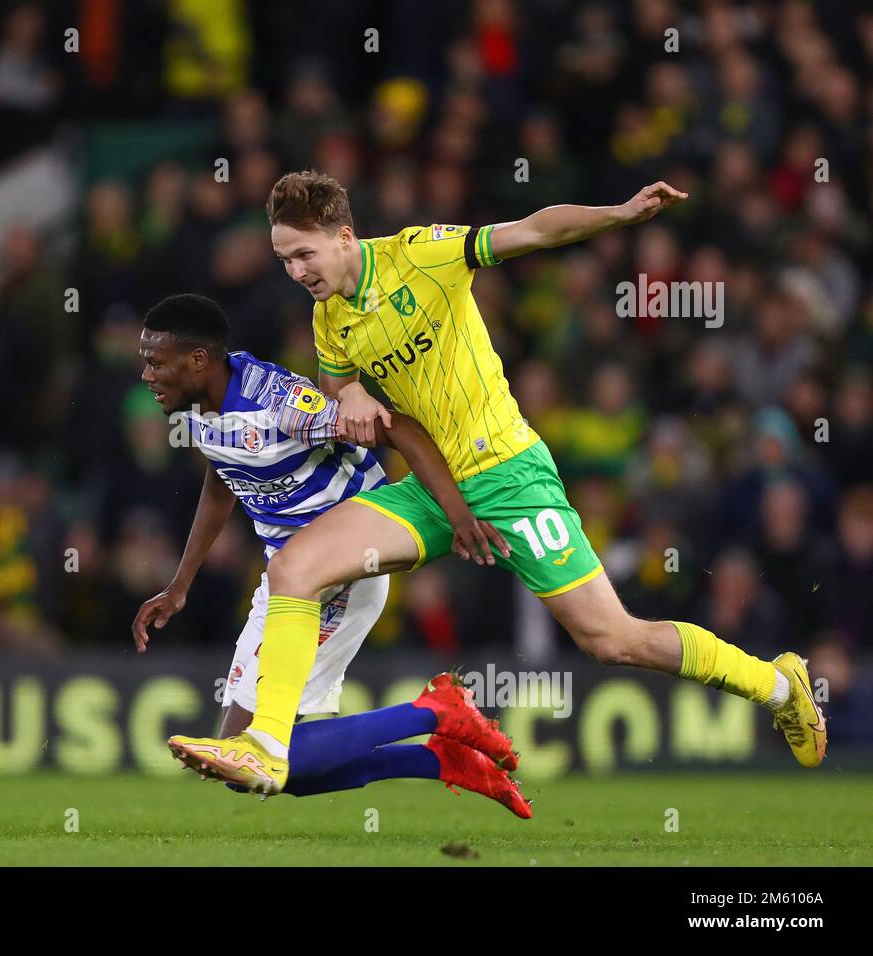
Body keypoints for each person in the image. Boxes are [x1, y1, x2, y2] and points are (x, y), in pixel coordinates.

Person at [167, 171, 825, 795]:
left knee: (612, 640)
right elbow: (338, 391)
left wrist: (618, 214)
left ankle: (777, 685)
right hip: (430, 487)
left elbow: (533, 230)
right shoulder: (329, 318)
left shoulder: (422, 255)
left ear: (344, 236)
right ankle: (267, 744)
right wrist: (349, 395)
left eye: (304, 255)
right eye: (284, 259)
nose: (296, 272)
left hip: (509, 476)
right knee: (295, 566)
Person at [134, 293, 528, 816]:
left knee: (260, 752)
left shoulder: (281, 402)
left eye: (156, 362)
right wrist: (180, 584)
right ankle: (437, 755)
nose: (146, 375)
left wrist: (457, 514)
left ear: (198, 359)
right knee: (243, 763)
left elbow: (397, 428)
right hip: (289, 575)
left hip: (342, 566)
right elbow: (223, 473)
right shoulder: (199, 409)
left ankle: (434, 713)